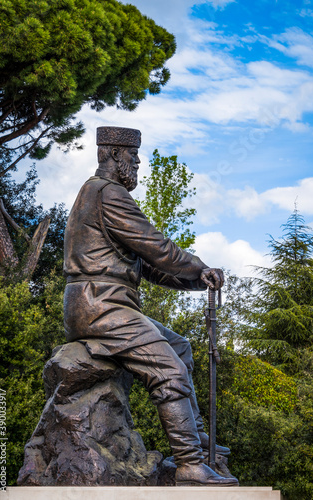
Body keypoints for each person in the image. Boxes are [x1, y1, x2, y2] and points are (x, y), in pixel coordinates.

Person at [63, 126, 238, 486]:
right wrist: (200, 265)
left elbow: (150, 266)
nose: (138, 162)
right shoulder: (107, 194)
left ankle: (198, 442)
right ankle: (190, 464)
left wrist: (196, 278)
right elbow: (159, 248)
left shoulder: (99, 196)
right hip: (100, 306)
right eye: (133, 155)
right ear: (113, 154)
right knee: (169, 369)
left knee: (180, 347)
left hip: (106, 303)